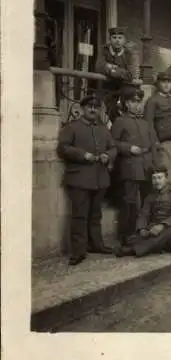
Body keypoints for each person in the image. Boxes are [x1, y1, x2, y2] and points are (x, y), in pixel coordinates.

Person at [57, 95, 117, 265]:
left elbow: (113, 147)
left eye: (96, 107)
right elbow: (63, 148)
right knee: (79, 216)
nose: (93, 110)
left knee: (95, 214)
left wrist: (107, 155)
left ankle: (97, 245)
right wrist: (83, 155)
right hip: (79, 178)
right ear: (82, 108)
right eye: (89, 106)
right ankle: (78, 251)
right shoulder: (72, 127)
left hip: (100, 178)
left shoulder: (104, 129)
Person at [111, 84, 160, 246]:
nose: (137, 105)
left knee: (148, 201)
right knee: (129, 202)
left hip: (147, 167)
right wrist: (128, 148)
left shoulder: (146, 123)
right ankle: (127, 235)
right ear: (125, 103)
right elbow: (112, 143)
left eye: (139, 102)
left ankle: (144, 231)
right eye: (133, 102)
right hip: (130, 166)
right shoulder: (120, 121)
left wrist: (156, 166)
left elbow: (153, 145)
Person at [115, 165, 171, 258]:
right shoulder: (150, 196)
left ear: (166, 178)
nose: (157, 181)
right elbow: (143, 214)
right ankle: (166, 246)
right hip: (153, 227)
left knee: (162, 235)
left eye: (160, 178)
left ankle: (132, 250)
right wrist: (142, 229)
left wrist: (162, 225)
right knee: (133, 238)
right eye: (154, 178)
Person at [95, 26, 141, 122]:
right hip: (106, 89)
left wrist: (111, 69)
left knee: (124, 111)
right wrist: (120, 72)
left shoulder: (129, 53)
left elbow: (131, 74)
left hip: (123, 89)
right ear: (110, 39)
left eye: (120, 38)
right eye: (114, 37)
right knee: (101, 113)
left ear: (124, 40)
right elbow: (99, 66)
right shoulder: (104, 50)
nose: (117, 41)